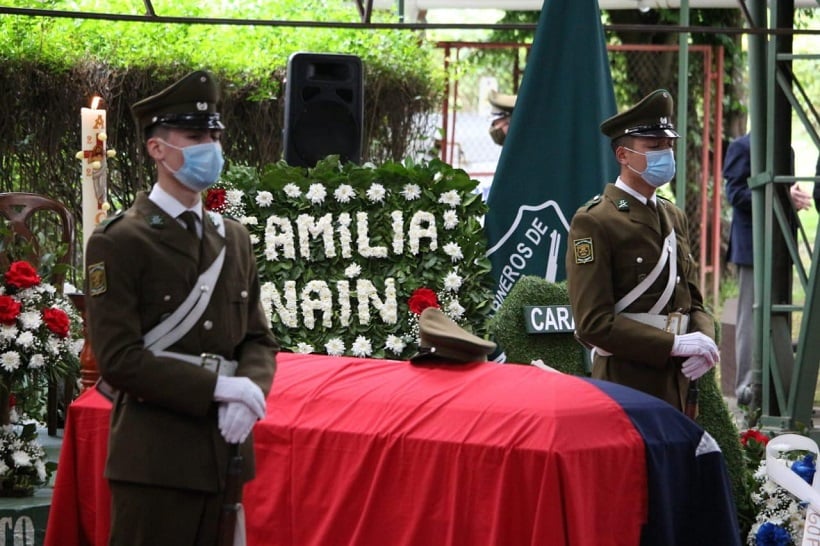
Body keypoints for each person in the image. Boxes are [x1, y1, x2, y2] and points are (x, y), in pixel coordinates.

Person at [84, 70, 279, 546]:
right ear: (157, 149)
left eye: (214, 135)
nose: (209, 147)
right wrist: (217, 387)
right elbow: (120, 359)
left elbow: (257, 338)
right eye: (194, 136)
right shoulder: (120, 241)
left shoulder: (232, 237)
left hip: (225, 454)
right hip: (155, 460)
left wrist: (247, 392)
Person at [565, 89, 719, 412]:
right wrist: (675, 344)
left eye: (668, 145)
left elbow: (693, 301)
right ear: (623, 155)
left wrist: (703, 344)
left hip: (677, 383)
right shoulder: (595, 221)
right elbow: (593, 323)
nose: (666, 153)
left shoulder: (673, 215)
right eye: (654, 147)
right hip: (627, 383)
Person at [724, 133, 812, 405]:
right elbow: (735, 194)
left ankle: (775, 381)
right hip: (752, 247)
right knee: (750, 317)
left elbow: (785, 190)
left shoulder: (786, 146)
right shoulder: (742, 147)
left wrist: (790, 197)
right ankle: (745, 389)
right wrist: (783, 196)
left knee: (778, 310)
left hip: (781, 244)